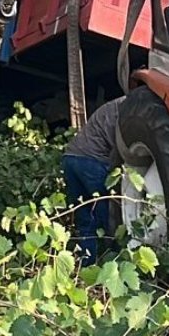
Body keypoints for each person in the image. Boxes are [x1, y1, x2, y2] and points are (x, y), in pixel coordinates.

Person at [62, 96, 125, 265]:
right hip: (91, 161)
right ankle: (115, 262)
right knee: (109, 213)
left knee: (85, 215)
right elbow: (122, 151)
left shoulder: (114, 104)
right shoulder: (129, 108)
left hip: (70, 158)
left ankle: (87, 263)